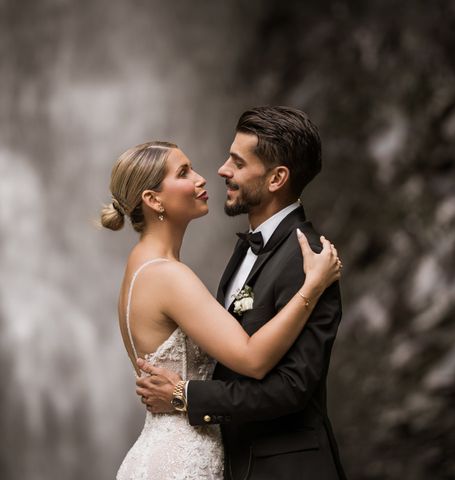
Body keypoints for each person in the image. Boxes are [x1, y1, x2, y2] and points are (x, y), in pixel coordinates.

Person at [100, 137, 341, 479]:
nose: (202, 178)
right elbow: (252, 358)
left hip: (159, 451)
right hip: (182, 462)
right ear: (153, 200)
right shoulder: (168, 275)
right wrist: (312, 288)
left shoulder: (139, 266)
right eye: (184, 172)